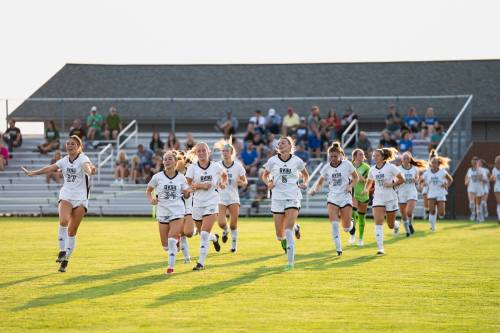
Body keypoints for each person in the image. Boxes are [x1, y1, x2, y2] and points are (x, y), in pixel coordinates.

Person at [21, 135, 96, 272]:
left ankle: (66, 259)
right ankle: (62, 250)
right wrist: (33, 173)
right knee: (63, 221)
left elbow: (87, 168)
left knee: (72, 231)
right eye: (68, 144)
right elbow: (49, 168)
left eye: (73, 144)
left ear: (78, 146)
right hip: (66, 194)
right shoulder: (63, 161)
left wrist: (90, 170)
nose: (69, 146)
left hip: (81, 198)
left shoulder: (84, 159)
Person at [262, 136, 309, 270]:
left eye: (284, 142)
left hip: (293, 196)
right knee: (279, 235)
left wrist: (304, 183)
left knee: (287, 230)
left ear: (290, 146)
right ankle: (296, 227)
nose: (281, 144)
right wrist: (268, 183)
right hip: (277, 198)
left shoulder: (297, 161)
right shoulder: (272, 161)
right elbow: (264, 175)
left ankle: (290, 263)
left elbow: (305, 175)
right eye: (279, 143)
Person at [309, 142, 358, 256]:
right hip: (332, 198)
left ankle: (350, 224)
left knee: (346, 228)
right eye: (331, 156)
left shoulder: (347, 164)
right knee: (335, 224)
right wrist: (315, 190)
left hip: (345, 197)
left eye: (335, 156)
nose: (333, 158)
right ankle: (339, 249)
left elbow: (356, 178)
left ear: (340, 155)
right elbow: (320, 181)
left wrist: (350, 186)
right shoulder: (326, 167)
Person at [146, 150, 191, 275]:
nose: (167, 161)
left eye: (170, 159)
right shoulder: (157, 177)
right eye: (165, 159)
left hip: (177, 211)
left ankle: (170, 268)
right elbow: (148, 190)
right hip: (162, 212)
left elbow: (187, 195)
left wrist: (187, 193)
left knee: (171, 241)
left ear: (176, 162)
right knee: (165, 246)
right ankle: (175, 243)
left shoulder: (181, 178)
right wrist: (152, 200)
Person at [186, 142, 228, 270]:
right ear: (196, 153)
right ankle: (214, 238)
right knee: (202, 233)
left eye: (203, 150)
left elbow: (224, 175)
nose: (201, 153)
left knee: (203, 234)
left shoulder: (216, 166)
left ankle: (200, 263)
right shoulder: (192, 168)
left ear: (208, 152)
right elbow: (188, 186)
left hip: (212, 202)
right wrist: (201, 186)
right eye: (198, 151)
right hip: (197, 203)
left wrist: (222, 183)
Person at [362, 148, 405, 255]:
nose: (374, 157)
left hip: (391, 198)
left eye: (376, 155)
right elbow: (369, 181)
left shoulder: (391, 167)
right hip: (378, 198)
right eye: (373, 156)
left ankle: (396, 225)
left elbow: (402, 179)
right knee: (378, 222)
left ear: (382, 157)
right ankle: (380, 248)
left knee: (390, 225)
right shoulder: (372, 170)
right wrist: (366, 190)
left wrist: (391, 184)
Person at [216, 139, 247, 252]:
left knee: (233, 224)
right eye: (223, 151)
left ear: (231, 153)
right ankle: (225, 231)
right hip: (221, 197)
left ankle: (233, 246)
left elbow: (245, 182)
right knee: (221, 223)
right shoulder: (217, 165)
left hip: (233, 197)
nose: (224, 153)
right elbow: (213, 179)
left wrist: (240, 182)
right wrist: (219, 183)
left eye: (226, 151)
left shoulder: (238, 166)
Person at [397, 152, 427, 237]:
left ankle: (410, 224)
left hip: (411, 191)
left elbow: (417, 178)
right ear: (401, 160)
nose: (406, 160)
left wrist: (416, 180)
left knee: (409, 212)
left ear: (410, 159)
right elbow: (396, 180)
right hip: (402, 192)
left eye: (407, 158)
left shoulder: (414, 168)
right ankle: (407, 231)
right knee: (403, 215)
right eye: (404, 158)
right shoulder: (398, 169)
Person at [421, 155, 453, 230]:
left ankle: (435, 218)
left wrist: (446, 184)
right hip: (431, 192)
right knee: (432, 210)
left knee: (441, 214)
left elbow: (450, 179)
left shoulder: (442, 172)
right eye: (433, 163)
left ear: (439, 164)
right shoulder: (427, 172)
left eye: (435, 163)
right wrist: (423, 184)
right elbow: (421, 181)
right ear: (430, 164)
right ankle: (433, 226)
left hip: (441, 192)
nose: (434, 164)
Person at [351, 149, 371, 246]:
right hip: (352, 193)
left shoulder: (367, 167)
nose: (362, 156)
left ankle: (360, 238)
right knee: (353, 212)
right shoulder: (350, 166)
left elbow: (368, 181)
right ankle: (352, 234)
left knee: (361, 217)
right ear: (355, 156)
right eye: (360, 154)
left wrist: (358, 176)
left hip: (363, 194)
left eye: (363, 154)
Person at [464, 156, 487, 222]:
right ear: (471, 162)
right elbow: (467, 177)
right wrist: (466, 181)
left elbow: (485, 180)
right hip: (471, 188)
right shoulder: (469, 170)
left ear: (478, 162)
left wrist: (481, 177)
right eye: (473, 160)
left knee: (478, 204)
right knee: (471, 203)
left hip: (479, 188)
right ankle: (473, 214)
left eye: (476, 161)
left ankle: (478, 217)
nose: (474, 162)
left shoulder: (482, 170)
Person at [490, 156, 500, 224]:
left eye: (497, 161)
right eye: (495, 161)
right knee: (499, 202)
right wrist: (492, 178)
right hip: (497, 188)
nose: (496, 162)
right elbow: (492, 179)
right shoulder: (494, 169)